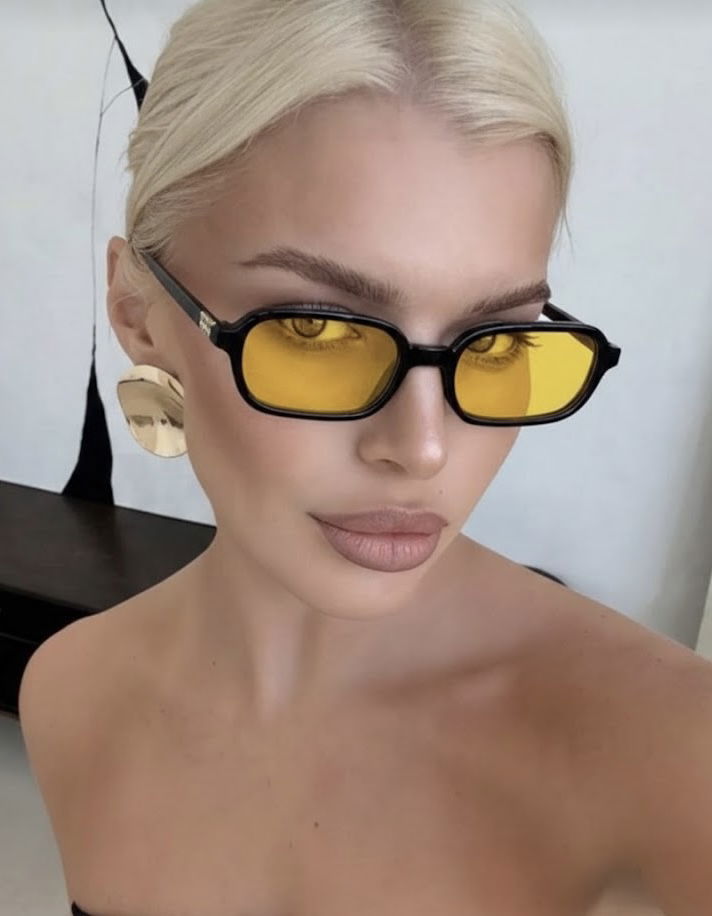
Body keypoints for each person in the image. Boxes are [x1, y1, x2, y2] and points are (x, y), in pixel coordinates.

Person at [18, 1, 712, 914]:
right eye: (316, 328)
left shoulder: (673, 753)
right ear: (139, 314)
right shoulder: (70, 690)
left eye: (497, 339)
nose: (422, 448)